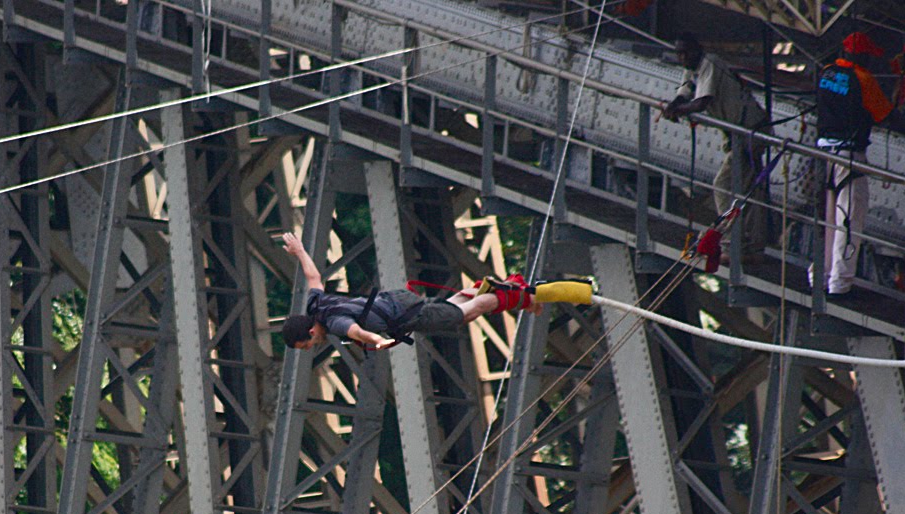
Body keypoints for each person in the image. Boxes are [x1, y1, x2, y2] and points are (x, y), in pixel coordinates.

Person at [280, 232, 594, 351]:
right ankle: (486, 290)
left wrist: (378, 342)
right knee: (457, 310)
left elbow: (358, 332)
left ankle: (518, 294)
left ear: (309, 331)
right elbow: (314, 275)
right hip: (396, 300)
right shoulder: (316, 304)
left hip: (405, 314)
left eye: (306, 344)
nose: (312, 346)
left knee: (466, 314)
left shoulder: (333, 325)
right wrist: (299, 251)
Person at [662, 32, 772, 264]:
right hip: (740, 134)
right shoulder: (693, 69)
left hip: (750, 132)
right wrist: (672, 106)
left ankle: (732, 245)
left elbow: (703, 102)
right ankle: (752, 247)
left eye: (686, 53)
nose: (682, 58)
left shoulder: (709, 63)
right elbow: (685, 93)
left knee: (724, 186)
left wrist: (678, 111)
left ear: (696, 50)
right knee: (749, 191)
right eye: (679, 54)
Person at [811, 31, 905, 296]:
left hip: (823, 152)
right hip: (850, 156)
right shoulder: (864, 80)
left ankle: (820, 275)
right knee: (849, 220)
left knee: (827, 219)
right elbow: (887, 115)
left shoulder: (826, 73)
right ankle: (840, 283)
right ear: (861, 55)